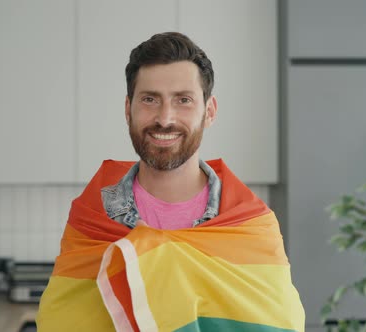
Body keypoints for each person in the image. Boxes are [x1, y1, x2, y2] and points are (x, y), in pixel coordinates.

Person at [37, 32, 305, 332]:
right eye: (150, 99)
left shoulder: (251, 226)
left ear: (209, 111)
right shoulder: (93, 218)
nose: (165, 118)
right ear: (128, 109)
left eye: (184, 100)